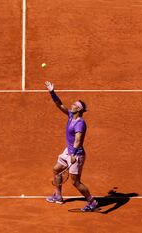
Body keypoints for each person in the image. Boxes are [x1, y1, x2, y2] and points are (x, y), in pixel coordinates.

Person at [44, 81, 99, 212]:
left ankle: (92, 202)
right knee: (56, 170)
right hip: (68, 151)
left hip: (76, 154)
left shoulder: (80, 123)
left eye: (75, 104)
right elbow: (59, 104)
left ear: (79, 109)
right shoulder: (70, 116)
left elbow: (78, 140)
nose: (72, 105)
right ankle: (58, 196)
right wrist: (52, 92)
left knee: (76, 182)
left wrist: (73, 154)